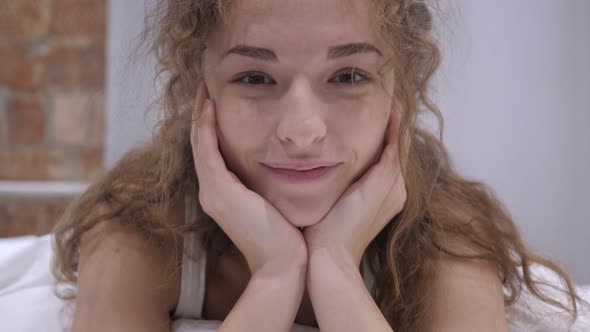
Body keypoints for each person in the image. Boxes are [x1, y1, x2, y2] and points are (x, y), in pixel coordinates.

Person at [50, 0, 587, 331]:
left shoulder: (445, 234)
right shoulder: (141, 227)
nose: (301, 130)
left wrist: (334, 269)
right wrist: (276, 276)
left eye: (348, 76)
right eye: (255, 79)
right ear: (200, 91)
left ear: (399, 89)